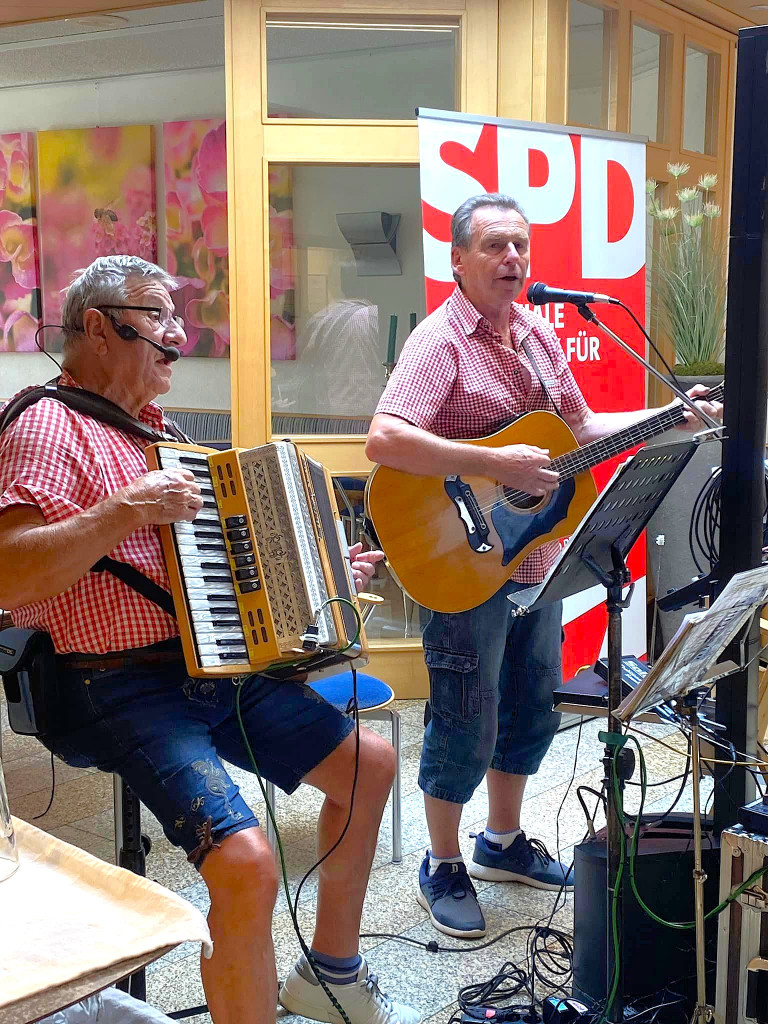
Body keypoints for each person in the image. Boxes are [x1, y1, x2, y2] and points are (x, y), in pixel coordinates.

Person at [0, 255, 420, 1024]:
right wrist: (123, 510)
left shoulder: (156, 430)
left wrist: (320, 573)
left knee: (370, 765)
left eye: (177, 319)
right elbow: (9, 577)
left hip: (211, 667)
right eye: (156, 317)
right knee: (245, 862)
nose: (175, 336)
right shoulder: (45, 424)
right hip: (112, 683)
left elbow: (215, 571)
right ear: (97, 327)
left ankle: (329, 976)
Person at [365, 193, 721, 940]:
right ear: (458, 259)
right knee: (465, 714)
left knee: (529, 707)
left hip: (532, 559)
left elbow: (583, 430)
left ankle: (499, 842)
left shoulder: (533, 333)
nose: (513, 260)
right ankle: (442, 862)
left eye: (521, 246)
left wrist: (671, 416)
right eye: (495, 246)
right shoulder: (441, 343)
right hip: (457, 561)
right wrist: (491, 460)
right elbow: (386, 439)